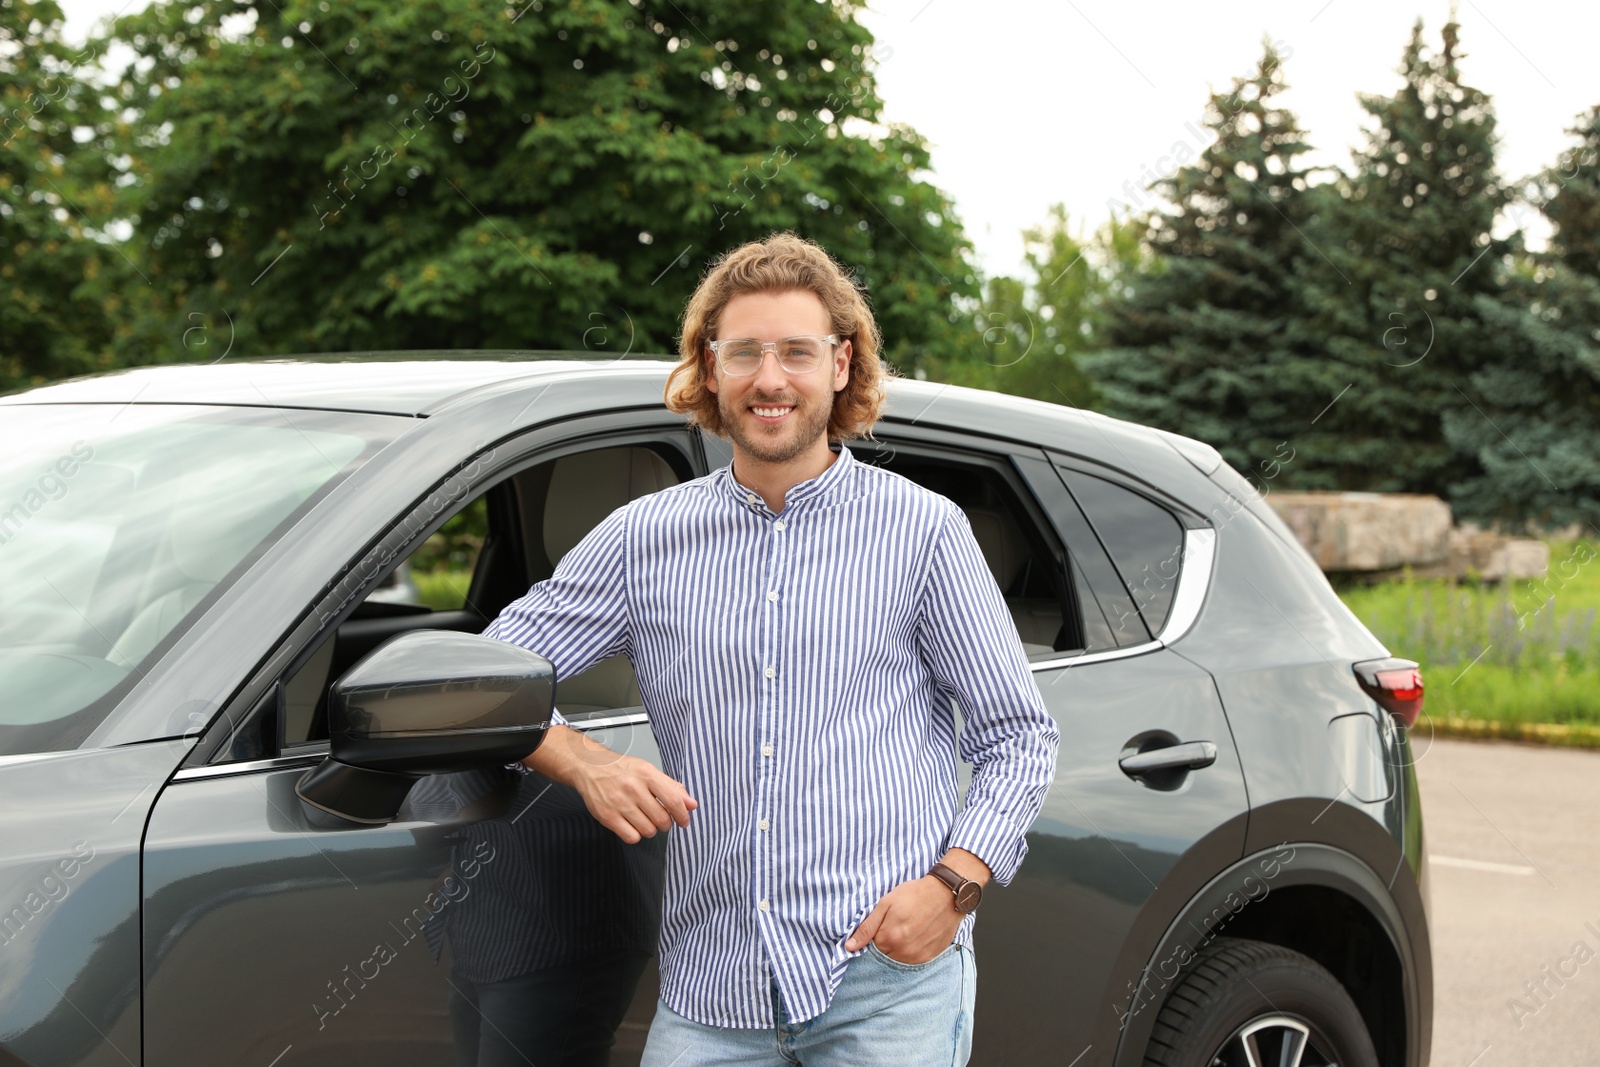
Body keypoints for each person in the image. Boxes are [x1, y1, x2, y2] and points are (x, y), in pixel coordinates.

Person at [483, 231, 1060, 1065]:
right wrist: (581, 760)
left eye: (796, 350)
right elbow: (495, 667)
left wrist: (954, 887)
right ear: (710, 367)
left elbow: (1018, 735)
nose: (770, 377)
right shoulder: (646, 538)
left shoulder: (922, 530)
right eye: (744, 351)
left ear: (840, 363)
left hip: (885, 980)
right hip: (713, 986)